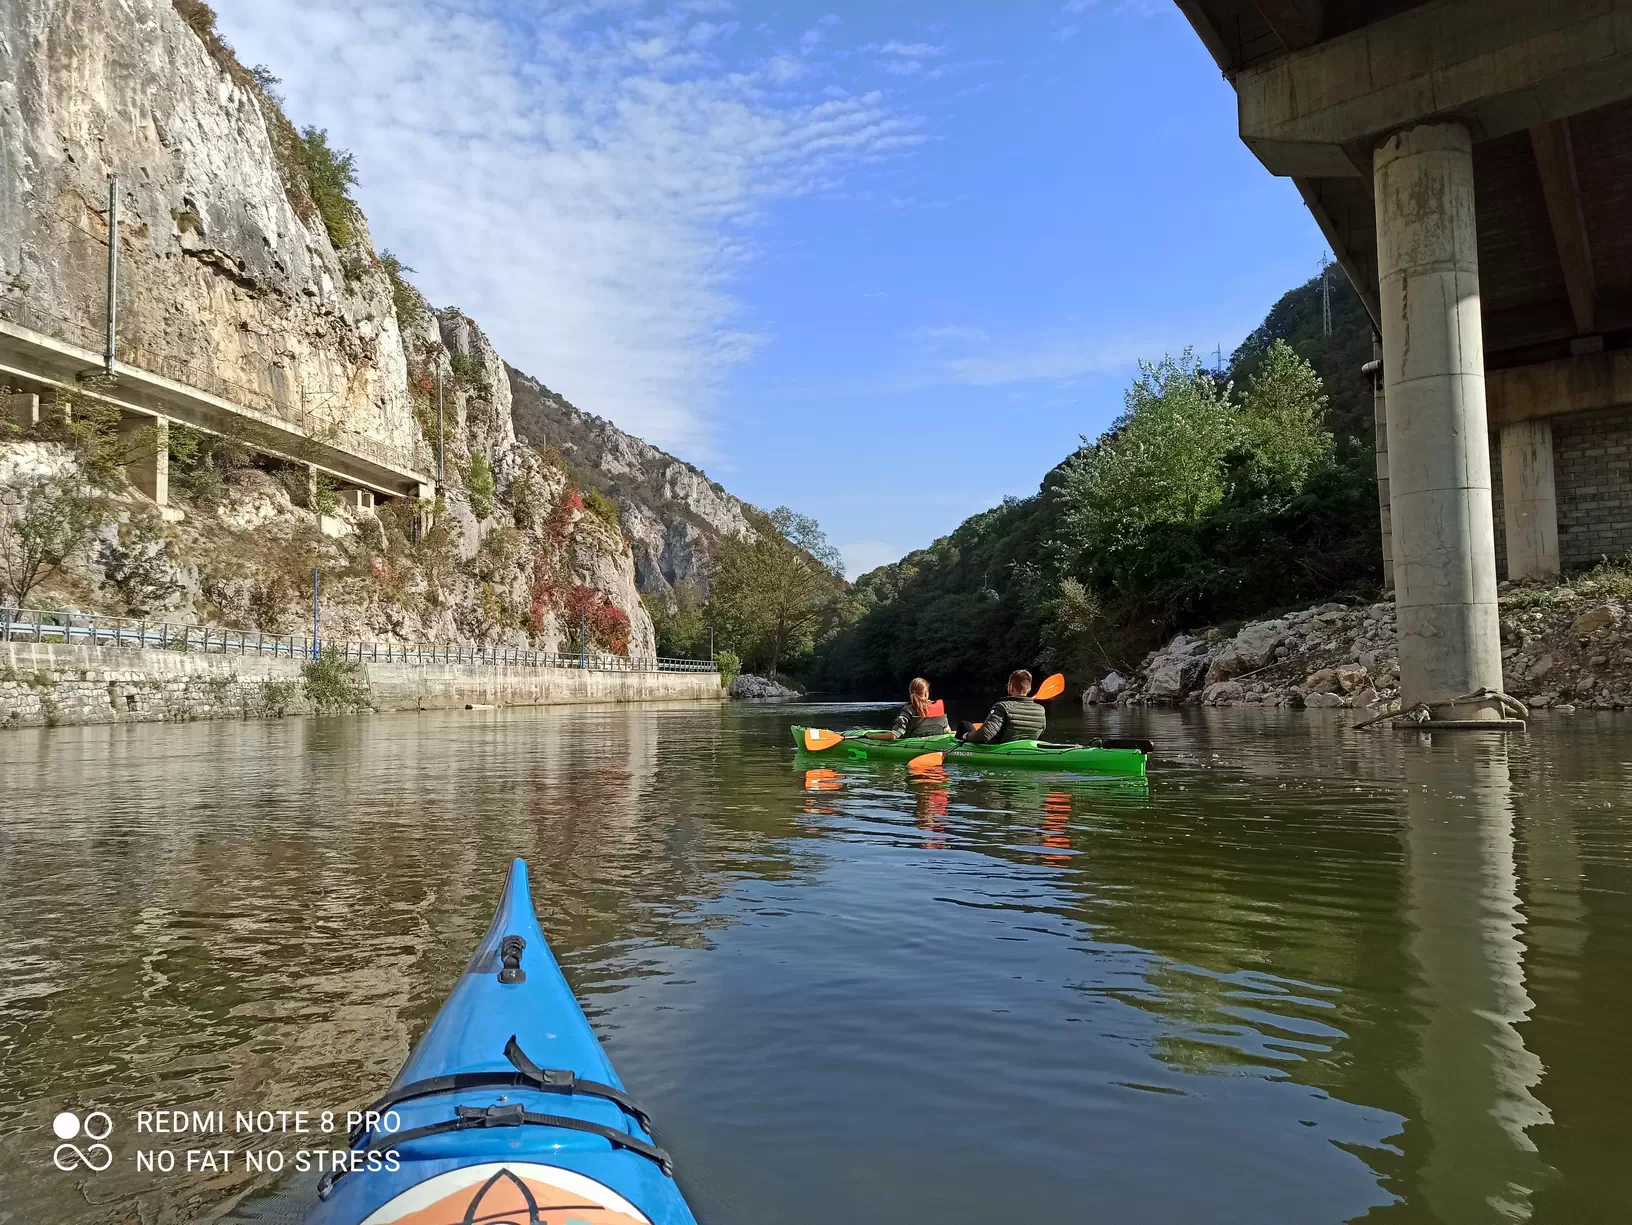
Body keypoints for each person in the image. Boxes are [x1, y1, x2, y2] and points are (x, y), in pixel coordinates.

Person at [960, 669, 1045, 744]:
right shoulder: (1041, 710)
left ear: (1011, 687)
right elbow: (1040, 733)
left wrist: (966, 736)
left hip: (1000, 748)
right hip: (1024, 748)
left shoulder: (1002, 707)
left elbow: (985, 735)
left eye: (1008, 685)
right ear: (1029, 689)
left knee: (965, 725)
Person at [870, 677, 950, 740]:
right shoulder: (939, 708)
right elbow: (948, 731)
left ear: (910, 692)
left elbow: (894, 735)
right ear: (927, 693)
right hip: (936, 743)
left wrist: (872, 737)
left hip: (914, 746)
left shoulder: (908, 710)